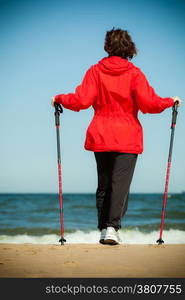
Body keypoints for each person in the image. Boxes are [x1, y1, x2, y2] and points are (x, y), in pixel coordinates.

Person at [51, 28, 182, 245]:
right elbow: (149, 103)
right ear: (129, 48)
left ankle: (105, 229)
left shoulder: (95, 71)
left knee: (104, 185)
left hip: (101, 135)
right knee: (119, 185)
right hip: (127, 136)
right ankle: (112, 228)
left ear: (107, 46)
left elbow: (81, 100)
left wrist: (59, 98)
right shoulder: (134, 74)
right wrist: (170, 101)